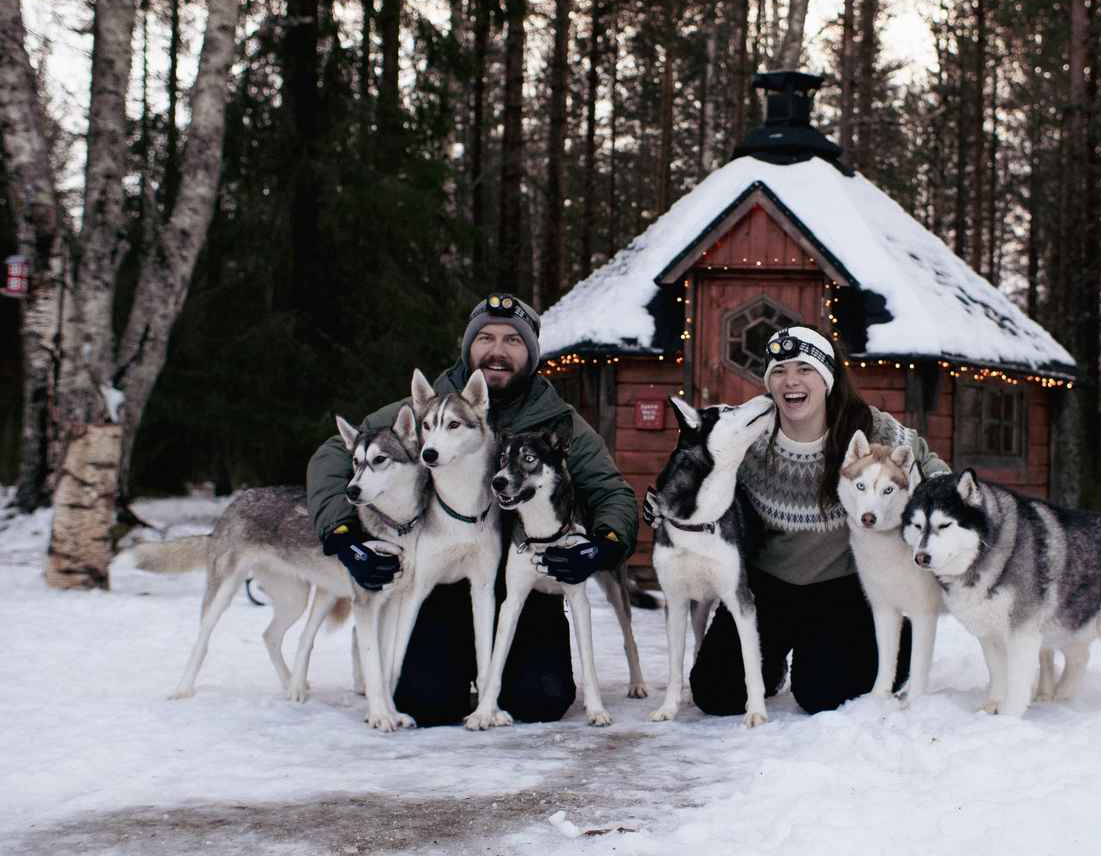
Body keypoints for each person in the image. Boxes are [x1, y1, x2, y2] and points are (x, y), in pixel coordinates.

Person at [306, 293, 638, 726]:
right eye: (485, 337)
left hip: (523, 581)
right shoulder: (430, 407)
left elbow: (611, 491)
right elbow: (335, 454)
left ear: (532, 354)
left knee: (541, 701)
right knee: (425, 703)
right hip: (443, 577)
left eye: (512, 341)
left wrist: (604, 545)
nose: (497, 350)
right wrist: (343, 534)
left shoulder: (556, 420)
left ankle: (503, 674)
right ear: (468, 347)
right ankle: (452, 669)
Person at [687, 325, 949, 715]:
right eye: (778, 371)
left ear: (826, 379)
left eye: (804, 369)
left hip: (842, 584)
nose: (790, 380)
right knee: (716, 693)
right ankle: (771, 663)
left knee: (823, 695)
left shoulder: (870, 429)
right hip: (768, 583)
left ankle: (897, 641)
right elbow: (700, 482)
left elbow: (930, 467)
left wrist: (938, 500)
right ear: (769, 384)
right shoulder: (750, 438)